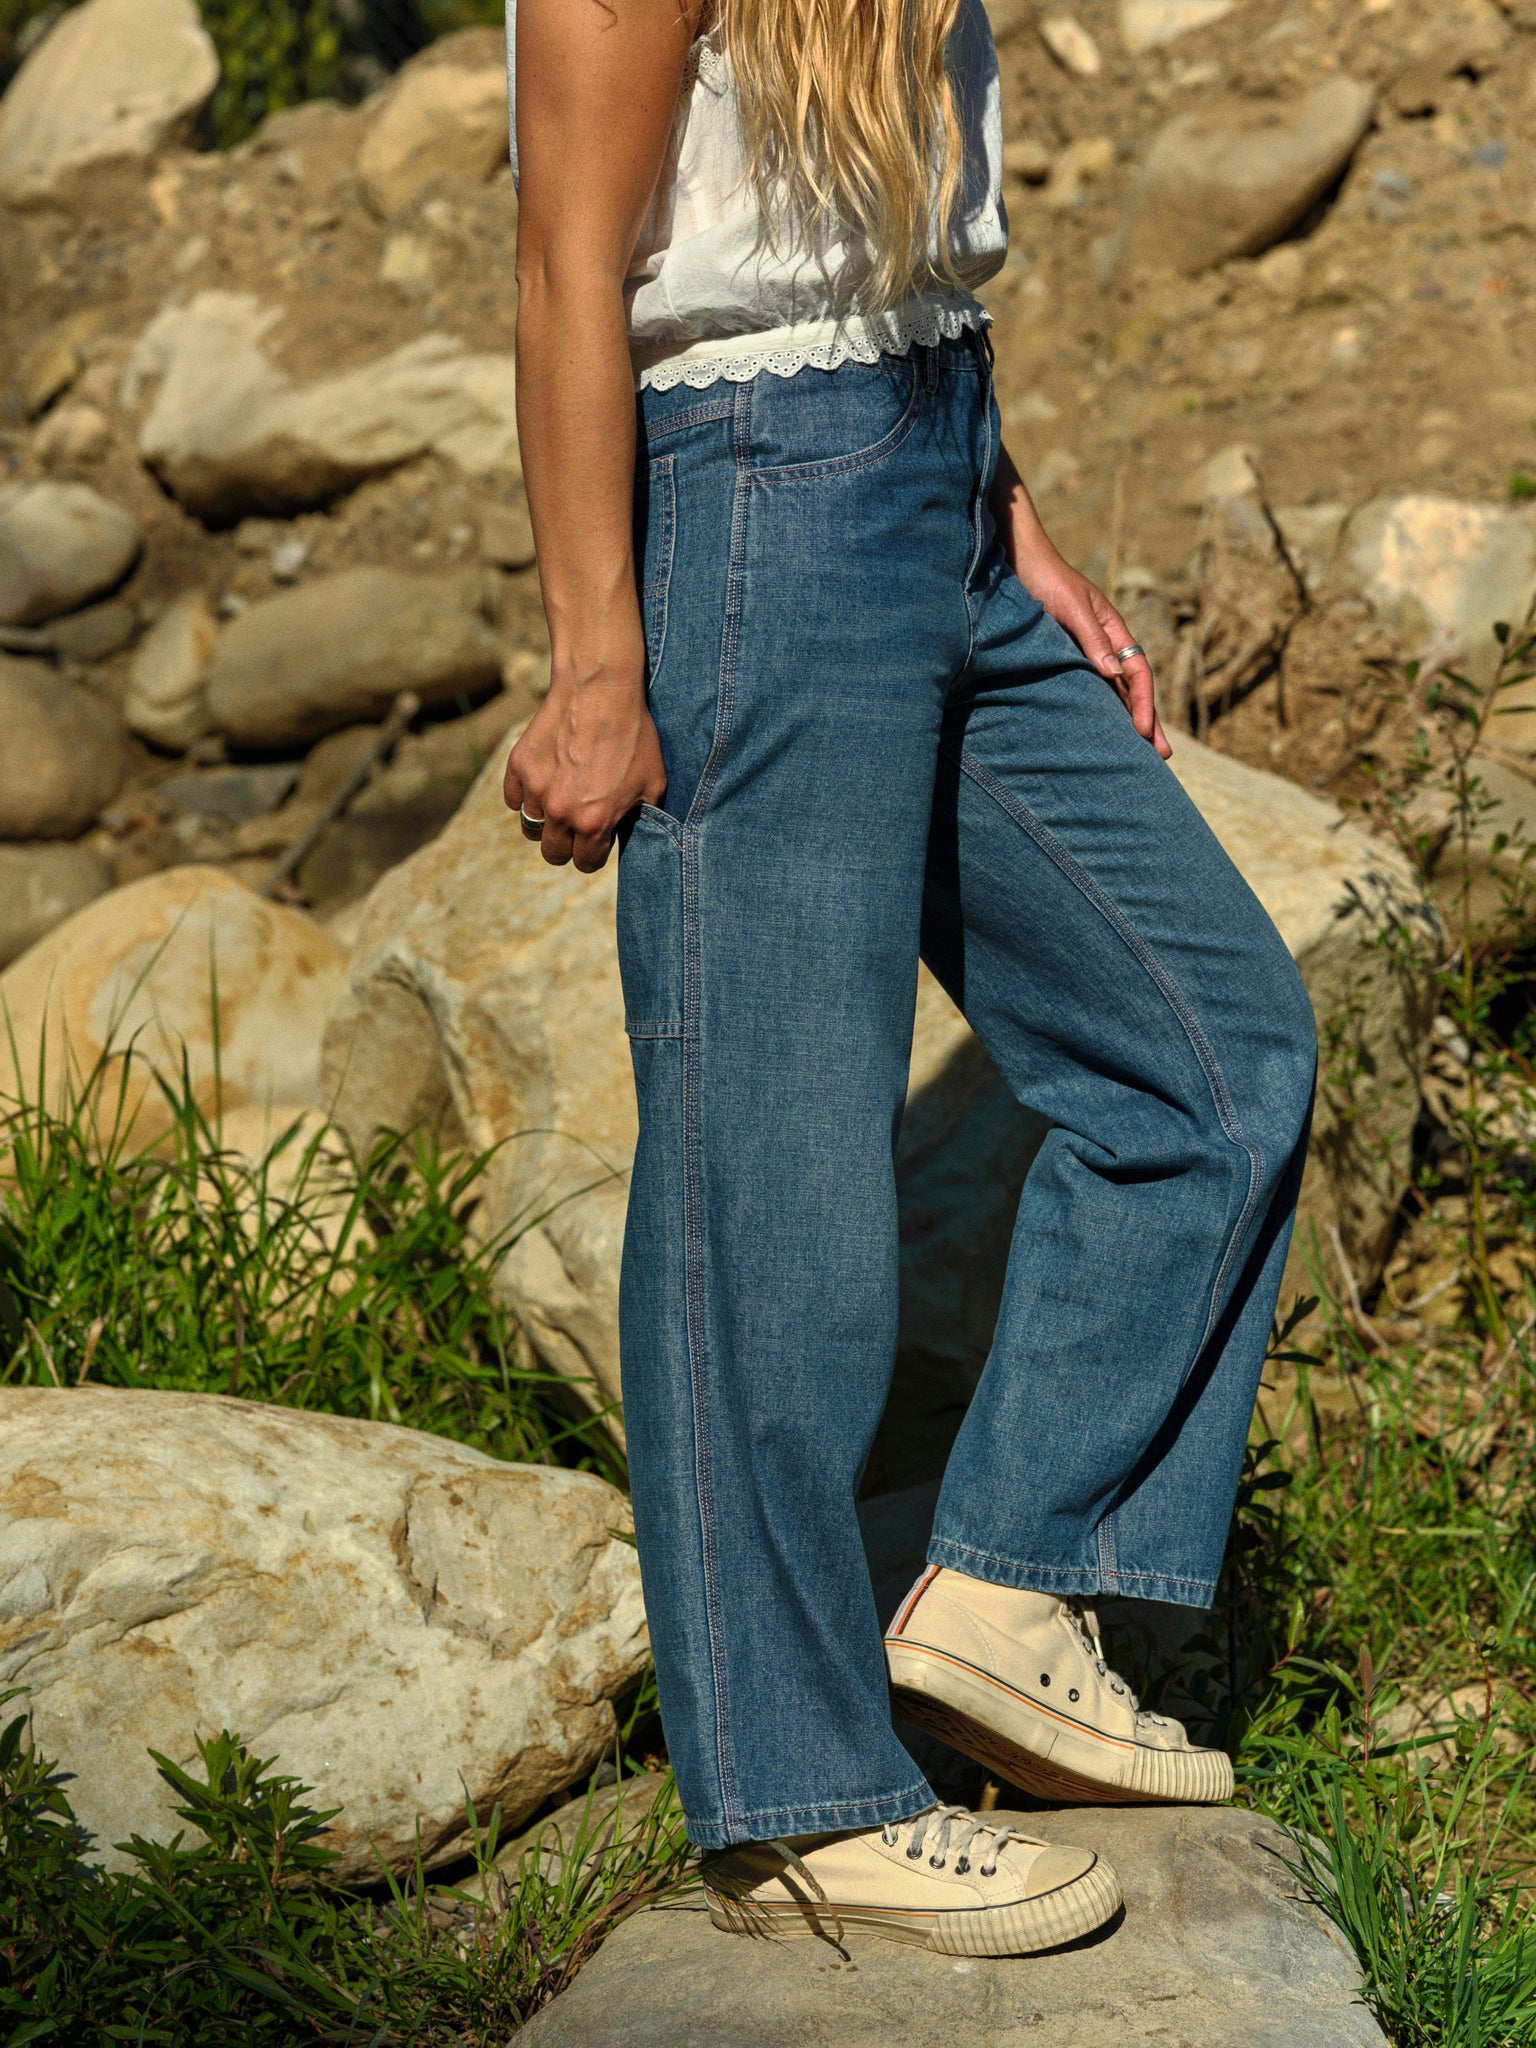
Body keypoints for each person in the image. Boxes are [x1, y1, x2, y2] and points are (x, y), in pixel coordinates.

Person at [503, 0, 1318, 1957]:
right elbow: (564, 264)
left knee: (1211, 1056)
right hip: (755, 511)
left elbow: (883, 237)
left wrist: (1002, 506)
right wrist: (598, 663)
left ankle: (1008, 1585)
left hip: (933, 464)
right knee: (773, 1189)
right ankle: (800, 1798)